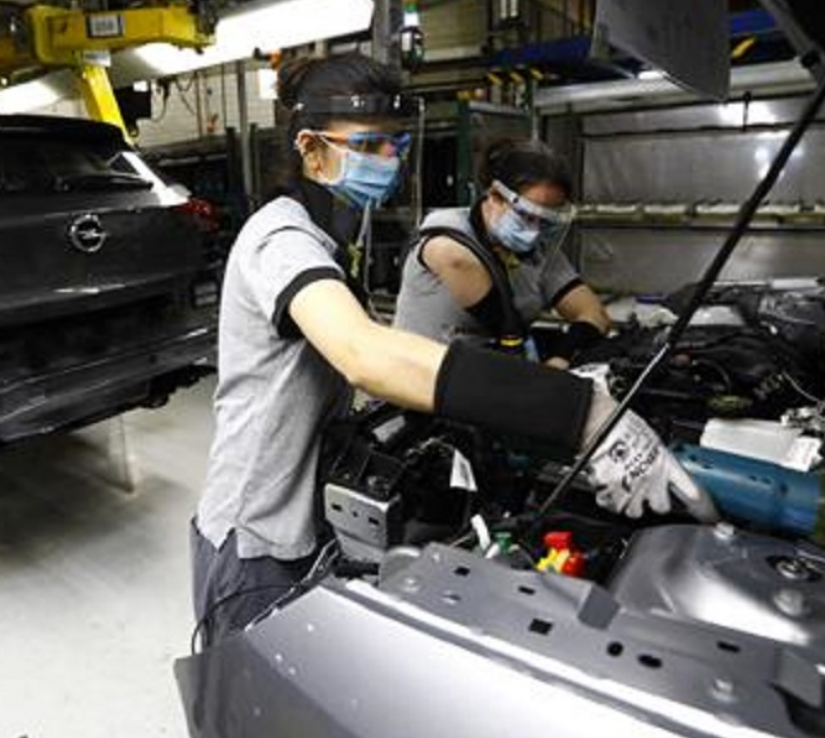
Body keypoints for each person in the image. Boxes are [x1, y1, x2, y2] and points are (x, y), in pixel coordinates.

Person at [190, 53, 714, 648]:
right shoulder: (279, 239)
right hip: (254, 535)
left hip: (309, 515)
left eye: (397, 146)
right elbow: (366, 356)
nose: (391, 162)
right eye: (373, 145)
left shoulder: (333, 236)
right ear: (312, 150)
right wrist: (581, 413)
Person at [394, 137, 611, 368]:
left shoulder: (539, 249)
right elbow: (504, 324)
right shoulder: (448, 237)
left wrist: (561, 358)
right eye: (526, 216)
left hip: (489, 376)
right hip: (423, 380)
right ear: (495, 196)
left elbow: (593, 313)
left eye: (546, 222)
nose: (534, 231)